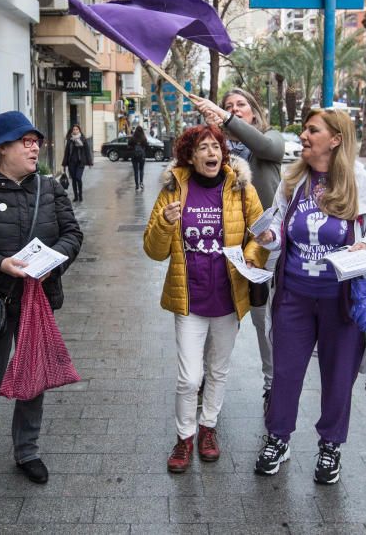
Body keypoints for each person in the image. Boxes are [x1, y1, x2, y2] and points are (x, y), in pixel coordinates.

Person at [252, 108, 366, 485]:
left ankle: (331, 446)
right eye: (304, 130)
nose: (304, 136)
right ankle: (277, 438)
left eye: (313, 130)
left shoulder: (359, 184)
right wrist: (270, 238)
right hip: (294, 296)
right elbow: (284, 232)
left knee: (338, 375)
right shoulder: (292, 180)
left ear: (335, 139)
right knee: (285, 372)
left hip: (341, 300)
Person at [0, 111, 83, 497]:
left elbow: (72, 233)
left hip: (36, 299)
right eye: (25, 140)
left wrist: (53, 260)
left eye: (36, 140)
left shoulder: (49, 187)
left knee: (33, 377)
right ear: (1, 147)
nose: (34, 146)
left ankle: (27, 452)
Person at [143, 124, 265, 473]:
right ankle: (184, 437)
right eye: (203, 148)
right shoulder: (173, 188)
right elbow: (153, 251)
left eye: (216, 147)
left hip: (228, 298)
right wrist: (166, 224)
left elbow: (261, 233)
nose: (211, 153)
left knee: (218, 371)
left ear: (223, 154)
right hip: (189, 298)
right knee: (189, 378)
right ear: (190, 156)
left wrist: (253, 256)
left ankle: (208, 428)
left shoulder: (241, 188)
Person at [194, 88, 285, 412]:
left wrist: (226, 118)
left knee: (265, 321)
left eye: (241, 105)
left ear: (254, 112)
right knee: (212, 319)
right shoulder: (216, 150)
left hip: (262, 249)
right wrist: (214, 130)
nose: (234, 109)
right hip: (222, 250)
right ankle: (201, 379)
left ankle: (272, 386)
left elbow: (266, 145)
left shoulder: (268, 140)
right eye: (228, 106)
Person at [62, 123, 93, 202]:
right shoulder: (69, 140)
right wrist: (64, 164)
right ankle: (76, 196)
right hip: (71, 163)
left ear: (79, 130)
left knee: (78, 178)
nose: (75, 131)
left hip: (80, 163)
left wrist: (89, 162)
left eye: (77, 129)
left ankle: (80, 195)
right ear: (72, 131)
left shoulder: (83, 139)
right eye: (74, 129)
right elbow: (66, 152)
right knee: (74, 179)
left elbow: (87, 151)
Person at [130, 125, 149, 191]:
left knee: (135, 171)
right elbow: (147, 145)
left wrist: (133, 149)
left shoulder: (133, 138)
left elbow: (128, 145)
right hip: (142, 156)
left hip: (134, 156)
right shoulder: (143, 138)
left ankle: (136, 185)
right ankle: (141, 183)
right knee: (141, 170)